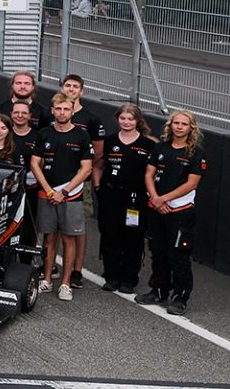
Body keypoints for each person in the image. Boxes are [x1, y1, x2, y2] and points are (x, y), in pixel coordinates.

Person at [139, 110, 206, 316]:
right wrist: (155, 198)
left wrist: (164, 198)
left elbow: (192, 183)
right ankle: (159, 290)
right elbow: (149, 174)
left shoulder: (196, 153)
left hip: (180, 212)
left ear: (191, 128)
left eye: (184, 124)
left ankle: (180, 296)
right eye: (176, 123)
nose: (179, 127)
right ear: (170, 125)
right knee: (157, 251)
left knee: (178, 255)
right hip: (157, 208)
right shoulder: (160, 148)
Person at [32, 94, 93, 301]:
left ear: (72, 111)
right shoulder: (44, 134)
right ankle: (47, 279)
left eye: (66, 109)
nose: (62, 113)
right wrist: (49, 190)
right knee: (49, 237)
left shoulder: (82, 136)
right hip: (48, 194)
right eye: (58, 109)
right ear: (52, 110)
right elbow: (34, 164)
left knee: (68, 238)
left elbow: (86, 169)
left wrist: (64, 192)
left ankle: (66, 283)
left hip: (71, 195)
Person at [96, 104, 154, 295]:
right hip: (110, 195)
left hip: (135, 199)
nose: (126, 122)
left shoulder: (148, 144)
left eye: (130, 119)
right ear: (117, 119)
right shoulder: (109, 141)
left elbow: (152, 173)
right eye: (123, 118)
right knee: (110, 235)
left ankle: (129, 279)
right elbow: (98, 166)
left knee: (133, 238)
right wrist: (98, 187)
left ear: (137, 120)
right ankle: (111, 276)